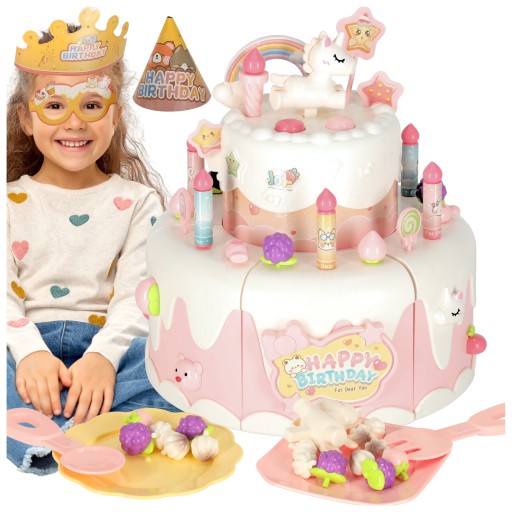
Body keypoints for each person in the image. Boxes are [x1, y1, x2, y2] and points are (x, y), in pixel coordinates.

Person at [6, 7, 179, 475]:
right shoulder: (8, 202)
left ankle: (56, 426)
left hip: (110, 348)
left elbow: (136, 295)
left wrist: (103, 356)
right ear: (26, 118)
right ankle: (88, 428)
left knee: (176, 368)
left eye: (91, 104)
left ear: (116, 115)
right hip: (23, 346)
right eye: (54, 106)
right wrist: (30, 353)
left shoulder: (139, 202)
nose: (74, 122)